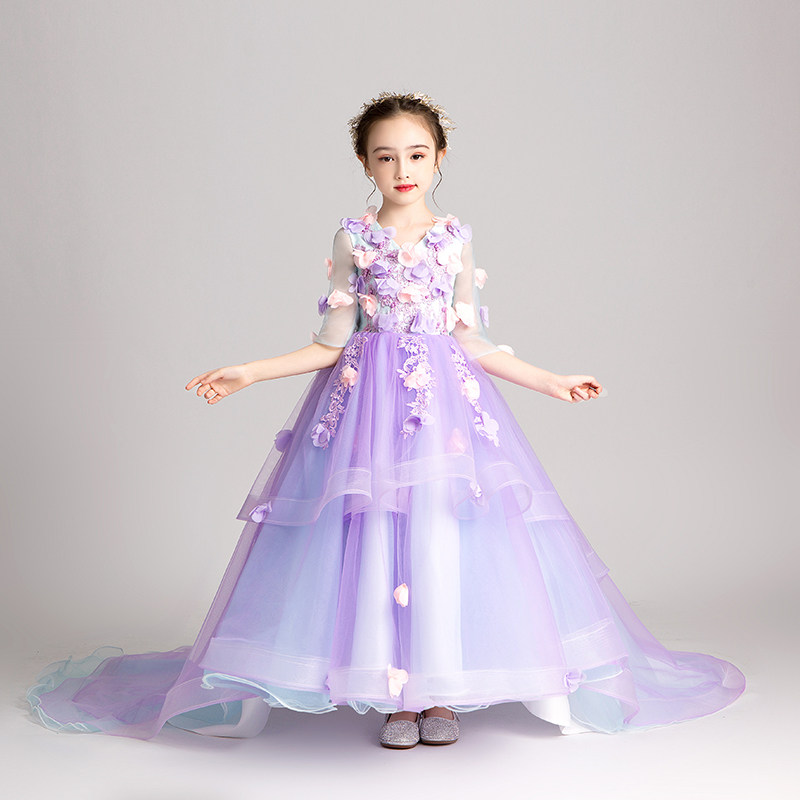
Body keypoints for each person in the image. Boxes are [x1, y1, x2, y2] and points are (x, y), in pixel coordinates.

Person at [25, 91, 745, 749]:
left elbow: (471, 339)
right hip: (362, 415)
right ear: (365, 163)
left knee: (439, 535)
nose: (403, 170)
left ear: (440, 158)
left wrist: (549, 380)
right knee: (372, 537)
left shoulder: (453, 238)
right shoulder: (355, 239)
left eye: (417, 154)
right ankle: (394, 695)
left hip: (443, 416)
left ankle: (438, 692)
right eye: (386, 156)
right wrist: (249, 371)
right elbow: (329, 342)